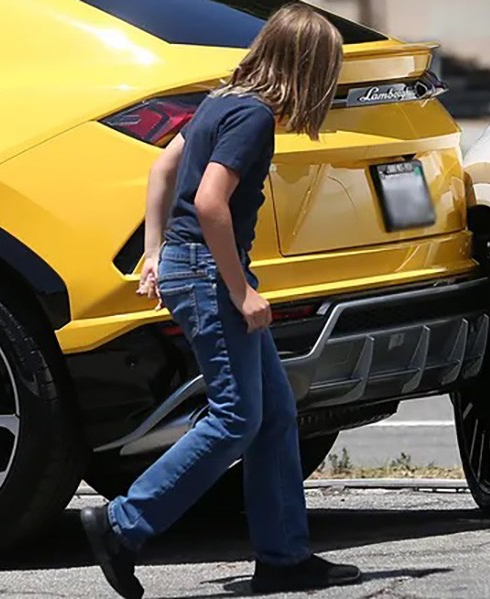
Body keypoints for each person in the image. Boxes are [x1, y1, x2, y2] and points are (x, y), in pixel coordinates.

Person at [79, 5, 361, 598]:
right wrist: (241, 290)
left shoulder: (218, 102)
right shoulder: (253, 116)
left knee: (275, 416)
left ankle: (284, 558)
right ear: (306, 68)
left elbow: (162, 169)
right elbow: (210, 203)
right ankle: (122, 523)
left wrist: (154, 252)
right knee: (237, 417)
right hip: (211, 276)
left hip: (189, 266)